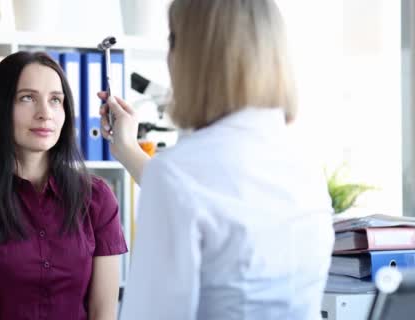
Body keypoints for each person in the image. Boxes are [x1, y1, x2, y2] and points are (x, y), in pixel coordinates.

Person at [99, 0, 335, 319]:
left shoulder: (177, 173)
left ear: (198, 59)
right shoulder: (304, 165)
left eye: (173, 40)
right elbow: (217, 200)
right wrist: (129, 150)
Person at [0, 51, 128, 320]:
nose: (44, 114)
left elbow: (103, 314)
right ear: (0, 107)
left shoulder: (97, 198)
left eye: (55, 100)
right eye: (27, 98)